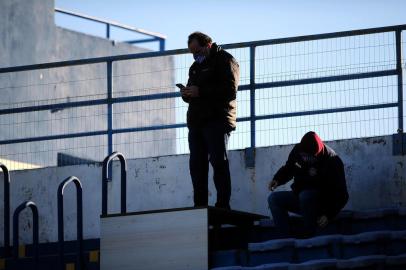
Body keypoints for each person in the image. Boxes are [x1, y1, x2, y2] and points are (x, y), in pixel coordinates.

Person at [181, 31, 240, 209]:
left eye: (197, 51)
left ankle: (223, 204)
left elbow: (230, 92)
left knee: (218, 162)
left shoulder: (225, 60)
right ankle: (199, 206)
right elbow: (194, 92)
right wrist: (187, 94)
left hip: (217, 120)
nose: (194, 55)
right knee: (197, 167)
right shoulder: (195, 66)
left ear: (208, 45)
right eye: (192, 52)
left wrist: (201, 92)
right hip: (197, 122)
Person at [268, 131, 349, 237]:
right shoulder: (298, 151)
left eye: (308, 156)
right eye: (303, 155)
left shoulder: (333, 161)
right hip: (300, 198)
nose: (304, 158)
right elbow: (289, 168)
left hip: (321, 205)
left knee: (306, 196)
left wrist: (329, 214)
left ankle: (308, 234)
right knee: (274, 199)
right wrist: (277, 179)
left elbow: (342, 195)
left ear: (316, 154)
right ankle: (285, 237)